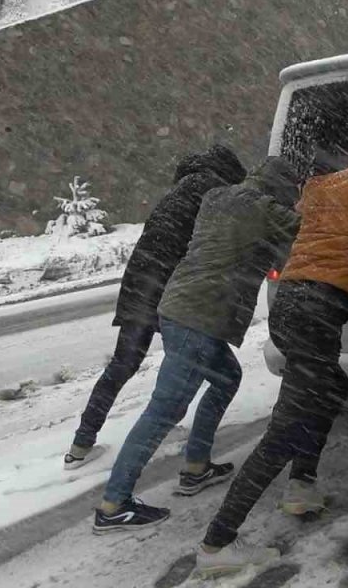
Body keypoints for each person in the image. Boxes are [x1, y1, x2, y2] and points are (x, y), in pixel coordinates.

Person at [193, 142, 348, 577]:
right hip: (319, 308)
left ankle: (302, 484)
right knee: (282, 432)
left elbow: (303, 220)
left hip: (289, 301)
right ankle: (218, 542)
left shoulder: (323, 185)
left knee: (331, 387)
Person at [92, 158, 301, 534]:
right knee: (164, 409)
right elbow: (307, 232)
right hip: (200, 318)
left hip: (176, 308)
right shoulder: (263, 209)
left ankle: (195, 467)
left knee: (226, 377)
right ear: (282, 191)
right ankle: (114, 504)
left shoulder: (217, 197)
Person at [65, 145, 246, 470]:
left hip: (139, 281)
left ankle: (81, 442)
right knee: (209, 365)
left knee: (123, 363)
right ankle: (184, 452)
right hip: (172, 288)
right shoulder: (212, 191)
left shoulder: (180, 190)